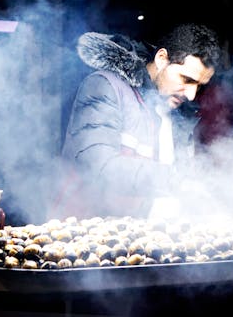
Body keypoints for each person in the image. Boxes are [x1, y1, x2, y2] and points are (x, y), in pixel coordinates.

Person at [53, 23, 222, 220]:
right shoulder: (105, 86)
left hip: (139, 239)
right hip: (84, 233)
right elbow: (99, 166)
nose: (192, 95)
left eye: (199, 86)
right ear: (161, 59)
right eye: (186, 79)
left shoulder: (179, 115)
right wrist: (177, 180)